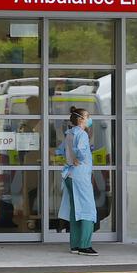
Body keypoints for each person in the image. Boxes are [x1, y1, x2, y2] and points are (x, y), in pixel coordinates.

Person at [57, 106, 99, 256]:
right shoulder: (81, 134)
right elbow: (81, 150)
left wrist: (71, 159)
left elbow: (59, 151)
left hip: (69, 175)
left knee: (75, 211)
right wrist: (79, 158)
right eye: (87, 117)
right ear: (81, 119)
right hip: (80, 175)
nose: (89, 120)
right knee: (88, 210)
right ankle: (84, 245)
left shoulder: (68, 133)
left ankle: (74, 245)